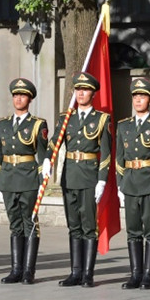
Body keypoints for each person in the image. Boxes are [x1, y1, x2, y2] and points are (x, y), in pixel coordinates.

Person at [55, 72, 111, 288]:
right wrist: (46, 161)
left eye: (85, 89)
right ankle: (75, 272)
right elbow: (54, 143)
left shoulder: (101, 120)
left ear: (93, 93)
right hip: (69, 177)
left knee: (89, 227)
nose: (80, 93)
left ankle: (88, 274)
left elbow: (106, 153)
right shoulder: (66, 118)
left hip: (89, 177)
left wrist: (102, 181)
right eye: (77, 89)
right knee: (74, 226)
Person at [116, 77, 150, 289]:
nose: (138, 100)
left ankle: (148, 275)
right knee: (132, 230)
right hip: (130, 182)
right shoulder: (124, 126)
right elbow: (119, 158)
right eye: (135, 96)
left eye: (143, 96)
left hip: (149, 182)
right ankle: (135, 274)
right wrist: (120, 184)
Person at [0, 77, 50, 285]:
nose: (18, 98)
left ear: (30, 98)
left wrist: (44, 172)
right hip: (8, 177)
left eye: (22, 95)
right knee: (14, 224)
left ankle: (28, 271)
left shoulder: (37, 124)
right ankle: (15, 270)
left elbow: (44, 155)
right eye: (16, 95)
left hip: (28, 178)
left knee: (30, 223)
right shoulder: (3, 123)